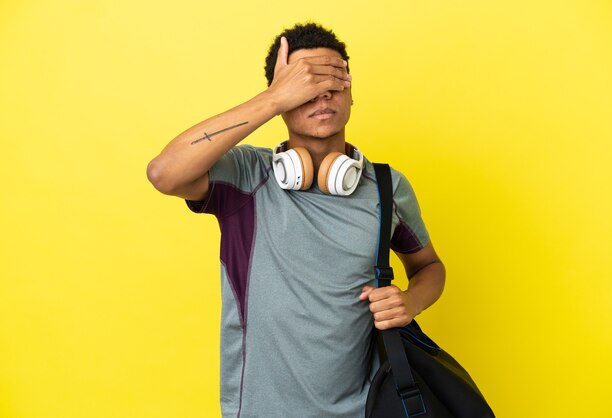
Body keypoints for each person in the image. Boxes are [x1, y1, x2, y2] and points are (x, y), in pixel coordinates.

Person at [147, 22, 446, 418]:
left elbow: (429, 267)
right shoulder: (246, 176)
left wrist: (410, 301)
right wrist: (271, 99)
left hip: (367, 411)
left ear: (351, 93)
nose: (322, 94)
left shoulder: (388, 188)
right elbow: (164, 173)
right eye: (305, 85)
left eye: (333, 82)